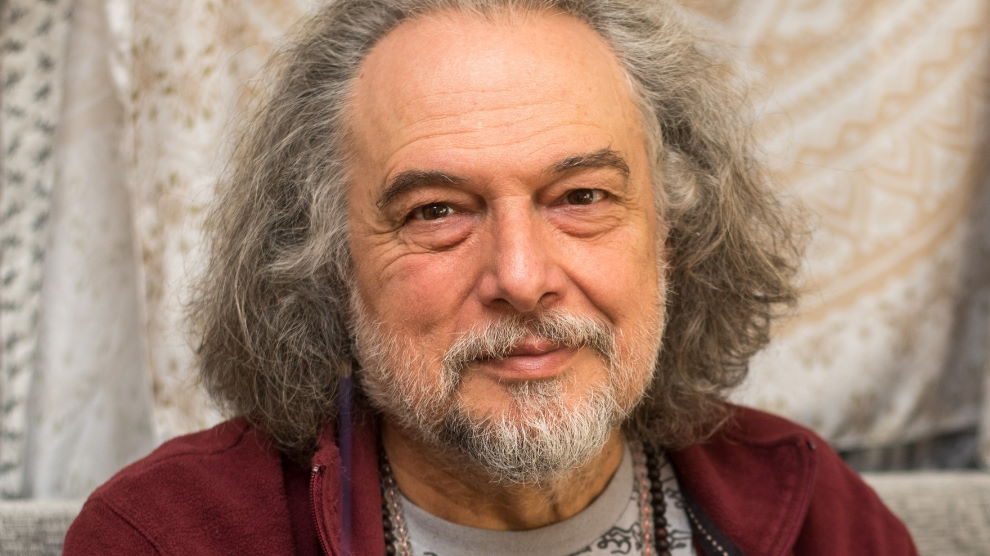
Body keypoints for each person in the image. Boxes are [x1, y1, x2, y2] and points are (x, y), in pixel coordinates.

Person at [65, 0, 916, 554]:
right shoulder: (171, 536)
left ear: (672, 234)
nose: (521, 275)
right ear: (326, 261)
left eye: (581, 197)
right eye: (437, 210)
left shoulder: (815, 514)